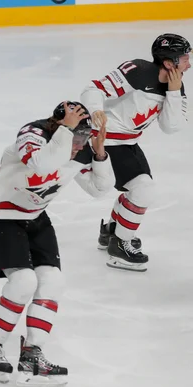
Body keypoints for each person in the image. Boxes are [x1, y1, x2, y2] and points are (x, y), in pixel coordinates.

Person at [0, 101, 114, 387]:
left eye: (84, 137)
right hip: (0, 216)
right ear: (59, 127)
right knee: (24, 282)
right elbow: (41, 163)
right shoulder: (33, 134)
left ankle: (32, 355)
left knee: (52, 281)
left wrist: (99, 153)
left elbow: (100, 188)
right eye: (77, 136)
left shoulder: (80, 148)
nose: (79, 145)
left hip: (34, 217)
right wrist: (67, 132)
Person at [80, 33, 189, 271]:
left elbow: (172, 127)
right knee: (143, 190)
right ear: (169, 62)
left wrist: (172, 92)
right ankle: (120, 246)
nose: (188, 63)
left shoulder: (176, 86)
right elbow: (93, 89)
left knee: (140, 189)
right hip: (103, 140)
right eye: (184, 58)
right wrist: (97, 110)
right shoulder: (138, 70)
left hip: (127, 143)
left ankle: (112, 232)